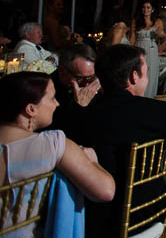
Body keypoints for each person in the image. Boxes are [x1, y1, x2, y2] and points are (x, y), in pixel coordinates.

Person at [76, 44, 166, 238]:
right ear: (134, 77)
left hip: (92, 219)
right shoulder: (155, 112)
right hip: (146, 214)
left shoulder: (84, 116)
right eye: (146, 72)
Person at [0, 72, 115, 237]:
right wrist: (93, 162)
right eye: (52, 98)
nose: (57, 104)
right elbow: (105, 191)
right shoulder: (51, 144)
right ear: (31, 109)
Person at [47, 43, 101, 137]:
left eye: (90, 77)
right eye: (80, 78)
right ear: (61, 70)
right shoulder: (45, 90)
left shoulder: (93, 84)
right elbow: (54, 132)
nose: (86, 84)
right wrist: (78, 107)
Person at [130, 2, 164, 98]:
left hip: (152, 48)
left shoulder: (158, 21)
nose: (145, 10)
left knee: (151, 74)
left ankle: (150, 97)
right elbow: (132, 38)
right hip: (139, 48)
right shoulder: (136, 21)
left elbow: (163, 39)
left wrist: (160, 35)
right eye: (144, 7)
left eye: (148, 7)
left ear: (152, 9)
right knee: (139, 72)